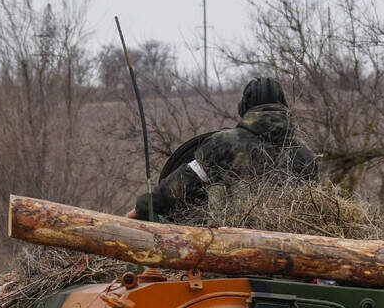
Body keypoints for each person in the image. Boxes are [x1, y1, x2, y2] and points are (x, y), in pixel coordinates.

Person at [131, 77, 318, 223]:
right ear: (284, 107)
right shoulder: (305, 153)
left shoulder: (224, 143)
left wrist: (142, 208)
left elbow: (176, 188)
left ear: (244, 108)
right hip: (292, 253)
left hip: (231, 250)